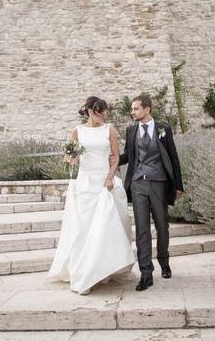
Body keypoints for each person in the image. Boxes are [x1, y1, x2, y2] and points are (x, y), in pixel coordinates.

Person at [48, 96, 134, 294]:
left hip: (105, 182)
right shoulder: (77, 132)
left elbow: (115, 158)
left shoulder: (109, 130)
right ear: (89, 112)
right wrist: (70, 157)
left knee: (106, 227)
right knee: (84, 230)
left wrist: (110, 178)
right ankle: (85, 271)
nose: (103, 115)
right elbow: (74, 161)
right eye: (98, 112)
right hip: (85, 184)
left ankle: (103, 271)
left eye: (105, 112)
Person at [116, 93, 184, 291]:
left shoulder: (164, 129)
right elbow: (128, 155)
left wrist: (179, 185)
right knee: (143, 230)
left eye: (136, 108)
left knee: (162, 226)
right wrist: (108, 158)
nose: (133, 112)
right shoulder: (131, 130)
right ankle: (146, 273)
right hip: (137, 184)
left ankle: (164, 262)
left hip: (159, 183)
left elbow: (173, 158)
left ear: (147, 109)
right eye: (132, 109)